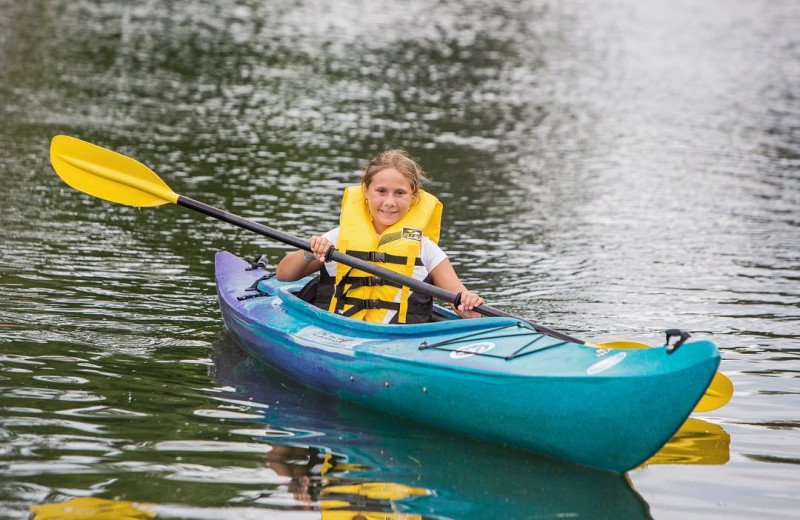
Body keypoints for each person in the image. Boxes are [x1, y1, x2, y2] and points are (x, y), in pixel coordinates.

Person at [276, 149, 484, 324]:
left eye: (400, 193)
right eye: (381, 191)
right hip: (337, 332)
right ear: (366, 191)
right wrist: (308, 253)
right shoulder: (338, 238)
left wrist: (468, 302)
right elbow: (284, 275)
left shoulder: (426, 249)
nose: (389, 202)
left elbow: (463, 305)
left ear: (414, 197)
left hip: (400, 341)